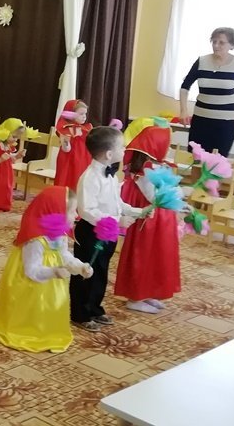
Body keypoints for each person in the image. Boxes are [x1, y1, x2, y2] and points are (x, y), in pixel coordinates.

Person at [0, 186, 92, 353]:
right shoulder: (35, 239)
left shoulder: (60, 233)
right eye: (73, 211)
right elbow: (31, 270)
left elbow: (64, 255)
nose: (76, 216)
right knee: (32, 307)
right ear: (57, 212)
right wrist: (54, 272)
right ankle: (27, 330)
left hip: (52, 282)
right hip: (32, 283)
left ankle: (48, 331)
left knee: (50, 306)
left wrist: (79, 266)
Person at [69, 126, 147, 331]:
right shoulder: (90, 177)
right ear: (109, 154)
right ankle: (80, 313)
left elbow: (117, 202)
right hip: (91, 232)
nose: (125, 150)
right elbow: (87, 210)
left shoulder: (111, 175)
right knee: (85, 272)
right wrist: (117, 221)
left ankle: (94, 308)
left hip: (108, 232)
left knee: (101, 271)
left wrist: (137, 211)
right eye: (122, 147)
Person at [115, 117, 181, 314]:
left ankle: (148, 291)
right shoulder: (146, 170)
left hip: (159, 222)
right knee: (143, 256)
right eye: (167, 145)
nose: (169, 149)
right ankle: (135, 297)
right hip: (149, 223)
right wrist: (175, 191)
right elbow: (155, 196)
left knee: (156, 256)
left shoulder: (156, 166)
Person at [179, 27, 234, 157]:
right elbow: (184, 87)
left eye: (221, 42)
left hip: (226, 122)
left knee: (217, 161)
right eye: (214, 41)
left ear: (232, 45)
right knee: (196, 157)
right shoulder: (201, 61)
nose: (216, 45)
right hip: (201, 119)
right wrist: (183, 110)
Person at [54, 99, 93, 190]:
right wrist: (65, 140)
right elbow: (66, 149)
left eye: (85, 114)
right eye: (81, 114)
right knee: (68, 180)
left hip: (83, 158)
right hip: (69, 159)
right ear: (71, 114)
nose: (84, 116)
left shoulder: (86, 128)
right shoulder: (66, 128)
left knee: (81, 182)